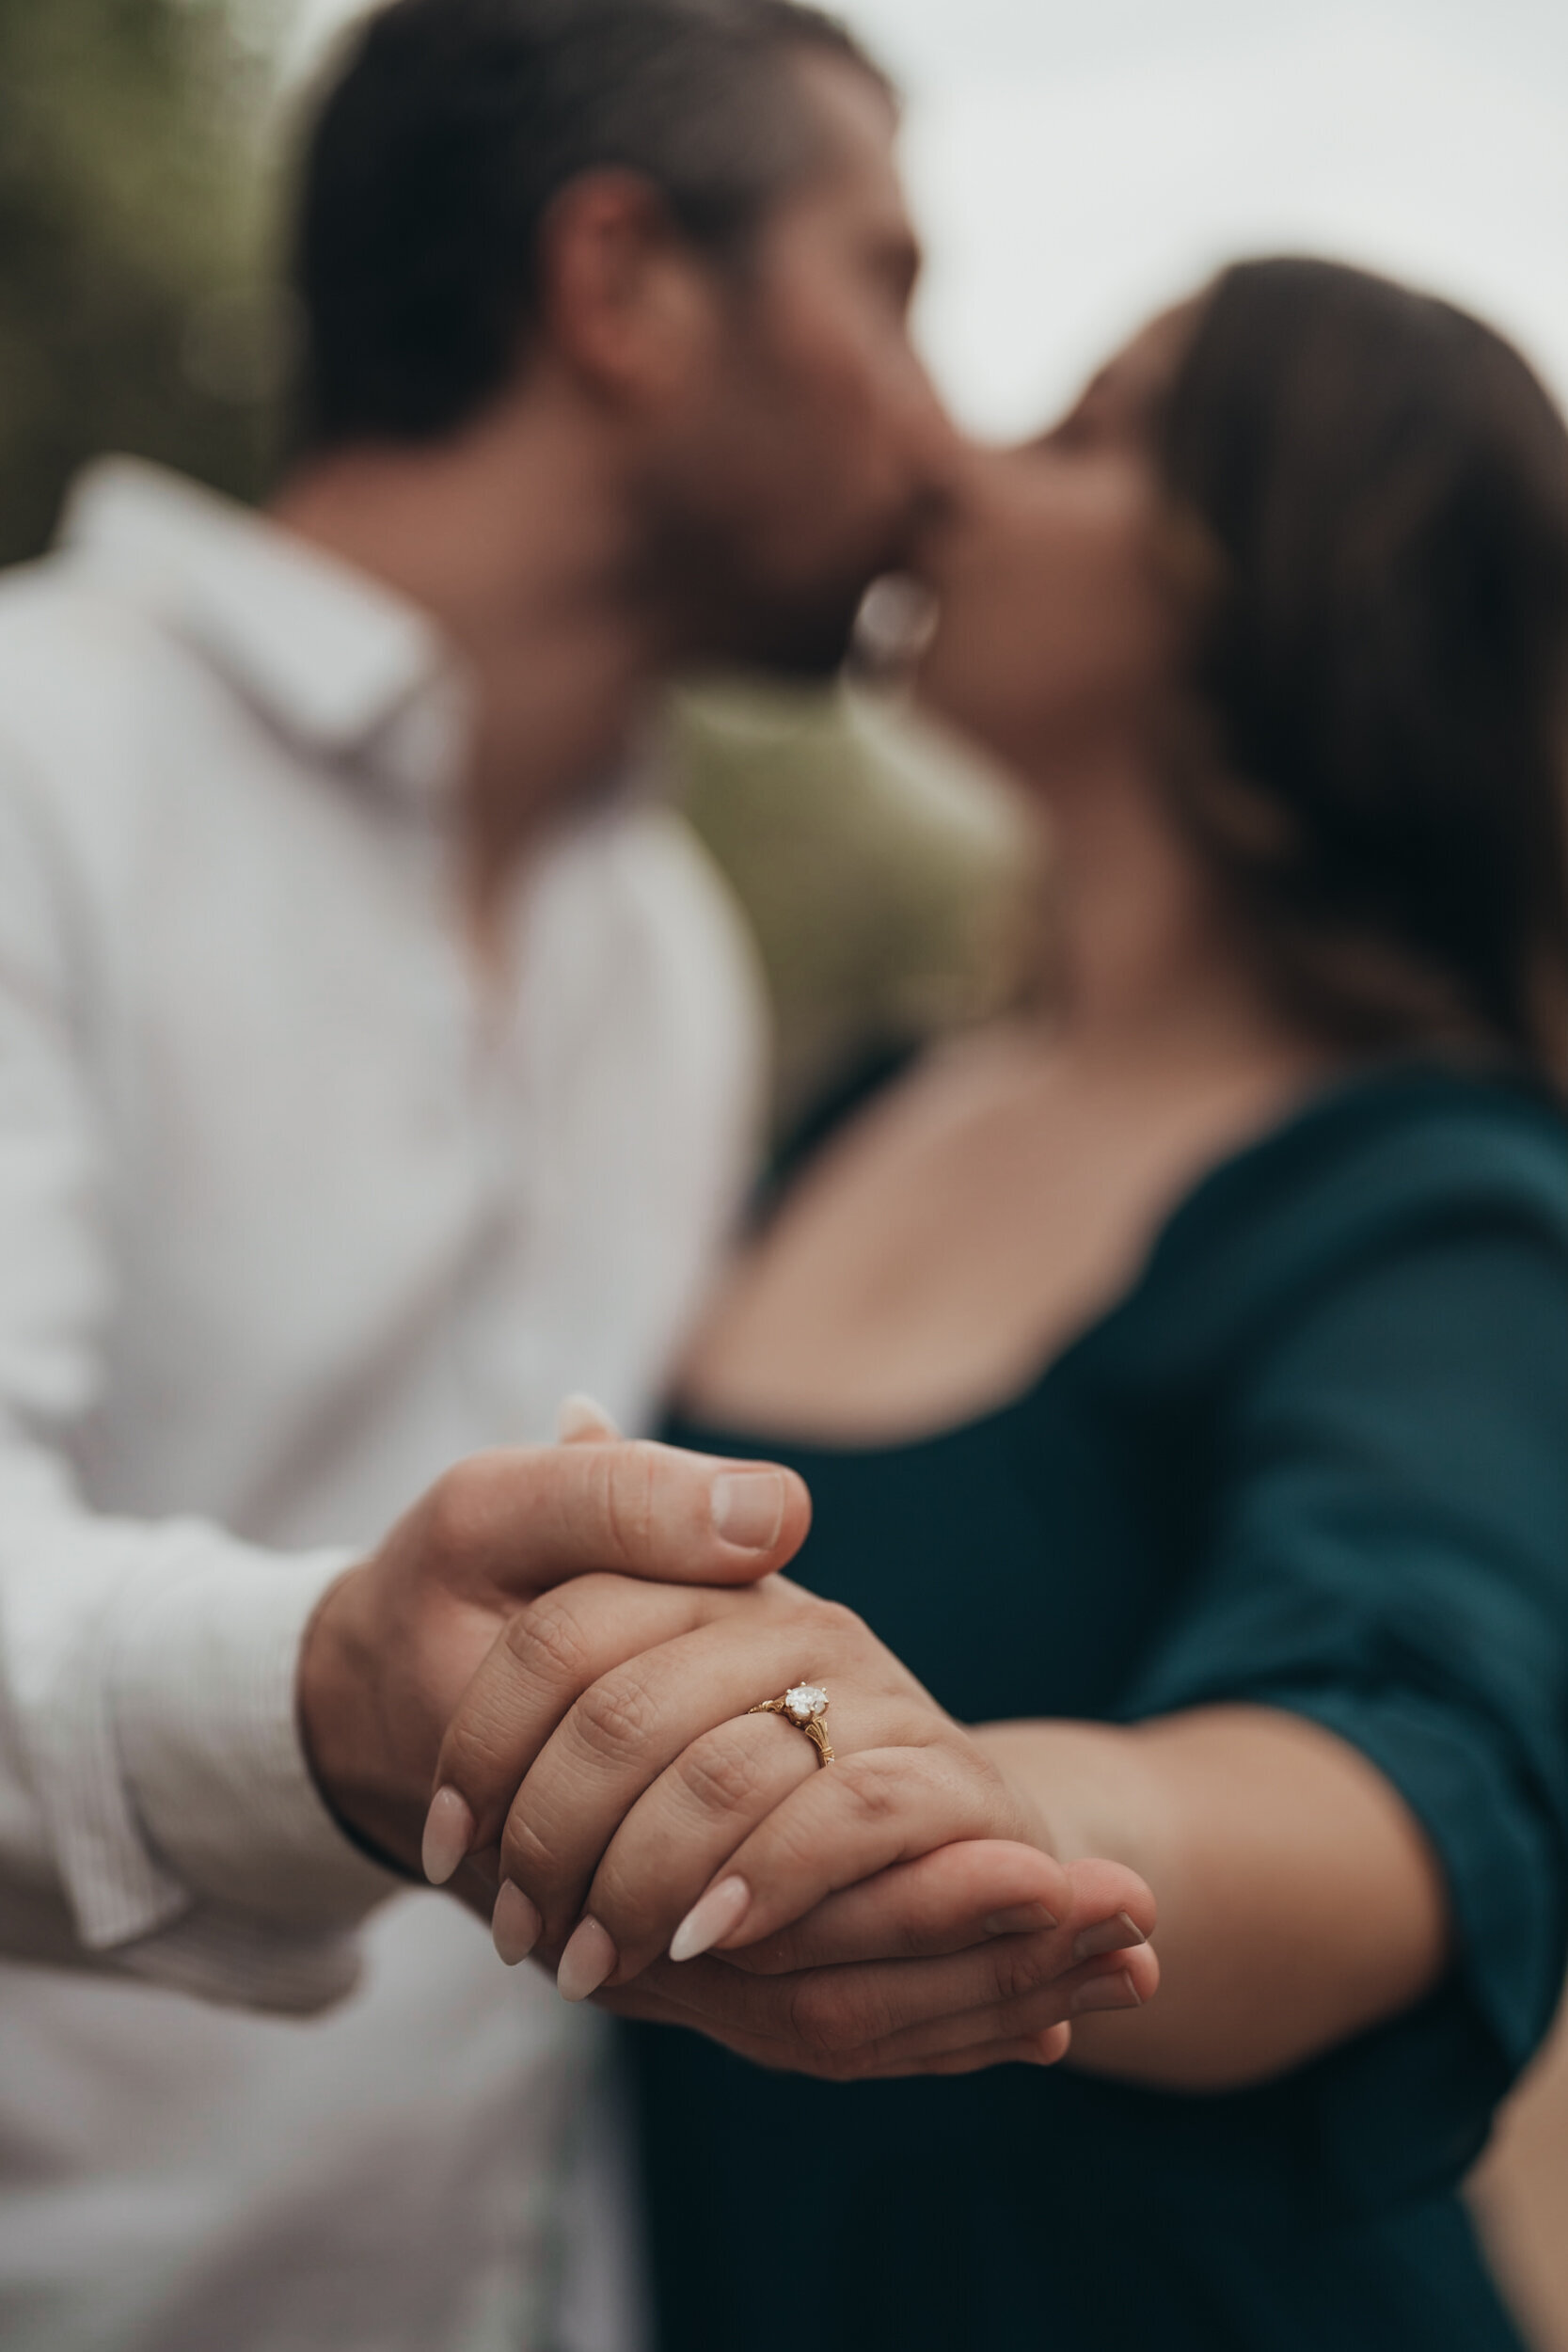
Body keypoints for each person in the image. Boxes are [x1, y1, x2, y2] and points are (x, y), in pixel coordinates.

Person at [0, 4, 1151, 2346]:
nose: (938, 436)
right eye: (886, 284)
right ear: (620, 285)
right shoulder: (39, 764)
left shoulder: (674, 951)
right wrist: (332, 1692)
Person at [428, 258, 1568, 2348]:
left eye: (1090, 430)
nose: (952, 457)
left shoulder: (1437, 1197)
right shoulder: (864, 1098)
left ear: (1299, 574)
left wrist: (992, 1815)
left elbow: (1406, 1761)